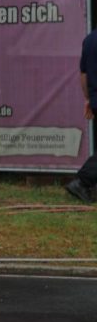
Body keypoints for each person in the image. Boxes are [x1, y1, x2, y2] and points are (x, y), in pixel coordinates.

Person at [65, 27, 97, 203]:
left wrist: (88, 99)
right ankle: (82, 182)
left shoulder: (89, 40)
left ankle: (85, 182)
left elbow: (83, 75)